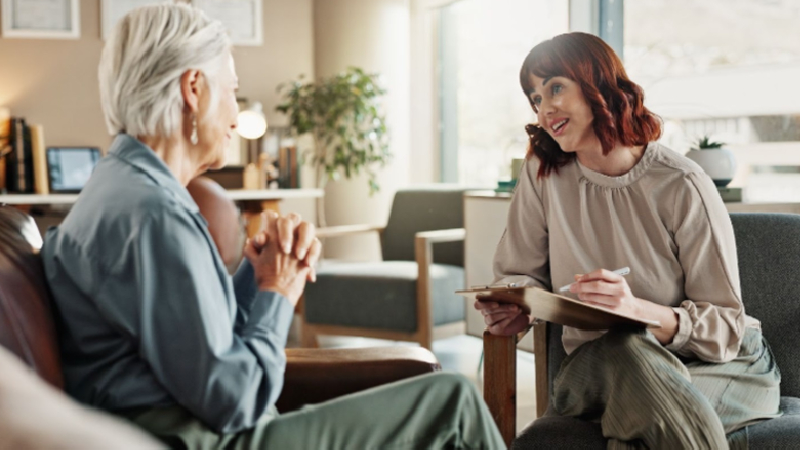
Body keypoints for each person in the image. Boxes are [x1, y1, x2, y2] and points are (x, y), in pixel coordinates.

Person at [42, 4, 505, 449]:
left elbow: (201, 342)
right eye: (231, 91)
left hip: (180, 422)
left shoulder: (120, 187)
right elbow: (234, 400)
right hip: (202, 437)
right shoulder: (154, 215)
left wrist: (257, 273)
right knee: (454, 401)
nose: (234, 113)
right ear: (194, 88)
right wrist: (279, 289)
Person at [475, 32, 781, 450]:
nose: (545, 109)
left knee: (641, 426)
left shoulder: (680, 183)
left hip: (721, 365)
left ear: (598, 83)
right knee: (629, 352)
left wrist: (635, 310)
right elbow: (519, 274)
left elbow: (726, 327)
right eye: (535, 98)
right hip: (598, 365)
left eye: (555, 87)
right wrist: (517, 310)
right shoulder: (543, 174)